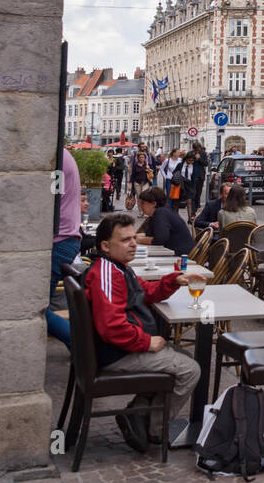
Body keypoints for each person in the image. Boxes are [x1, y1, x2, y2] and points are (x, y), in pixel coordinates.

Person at [81, 212, 205, 451]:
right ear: (105, 246)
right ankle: (155, 430)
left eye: (133, 238)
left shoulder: (118, 268)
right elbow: (111, 327)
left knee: (184, 358)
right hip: (116, 355)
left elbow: (143, 291)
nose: (133, 243)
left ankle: (137, 414)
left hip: (120, 348)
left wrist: (173, 280)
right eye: (125, 240)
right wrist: (146, 342)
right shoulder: (106, 273)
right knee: (190, 370)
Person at [48, 148, 82, 348]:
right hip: (64, 239)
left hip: (59, 240)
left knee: (34, 308)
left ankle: (84, 347)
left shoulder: (55, 158)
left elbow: (51, 198)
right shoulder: (59, 155)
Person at [135, 187, 195, 257]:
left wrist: (137, 240)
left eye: (143, 203)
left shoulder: (161, 213)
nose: (140, 205)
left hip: (181, 257)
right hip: (174, 253)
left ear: (154, 203)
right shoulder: (160, 212)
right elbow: (149, 235)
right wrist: (133, 237)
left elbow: (160, 239)